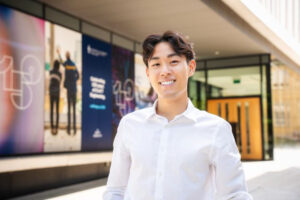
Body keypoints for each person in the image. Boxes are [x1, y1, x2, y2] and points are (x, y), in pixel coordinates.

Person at [103, 31, 253, 200]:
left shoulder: (216, 129)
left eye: (173, 61)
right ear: (148, 73)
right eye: (156, 64)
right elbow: (116, 190)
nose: (164, 71)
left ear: (190, 67)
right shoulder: (129, 125)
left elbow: (235, 195)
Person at [57, 49, 79, 135]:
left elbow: (61, 62)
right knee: (73, 110)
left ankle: (69, 130)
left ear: (66, 56)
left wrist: (59, 54)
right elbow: (78, 75)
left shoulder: (66, 64)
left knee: (69, 110)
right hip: (74, 89)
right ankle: (74, 130)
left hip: (69, 89)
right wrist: (74, 80)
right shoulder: (73, 64)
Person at [49, 60, 62, 135]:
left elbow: (50, 79)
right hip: (57, 93)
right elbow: (59, 81)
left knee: (51, 110)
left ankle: (52, 127)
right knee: (57, 111)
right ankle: (56, 127)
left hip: (51, 92)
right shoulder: (60, 73)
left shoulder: (50, 71)